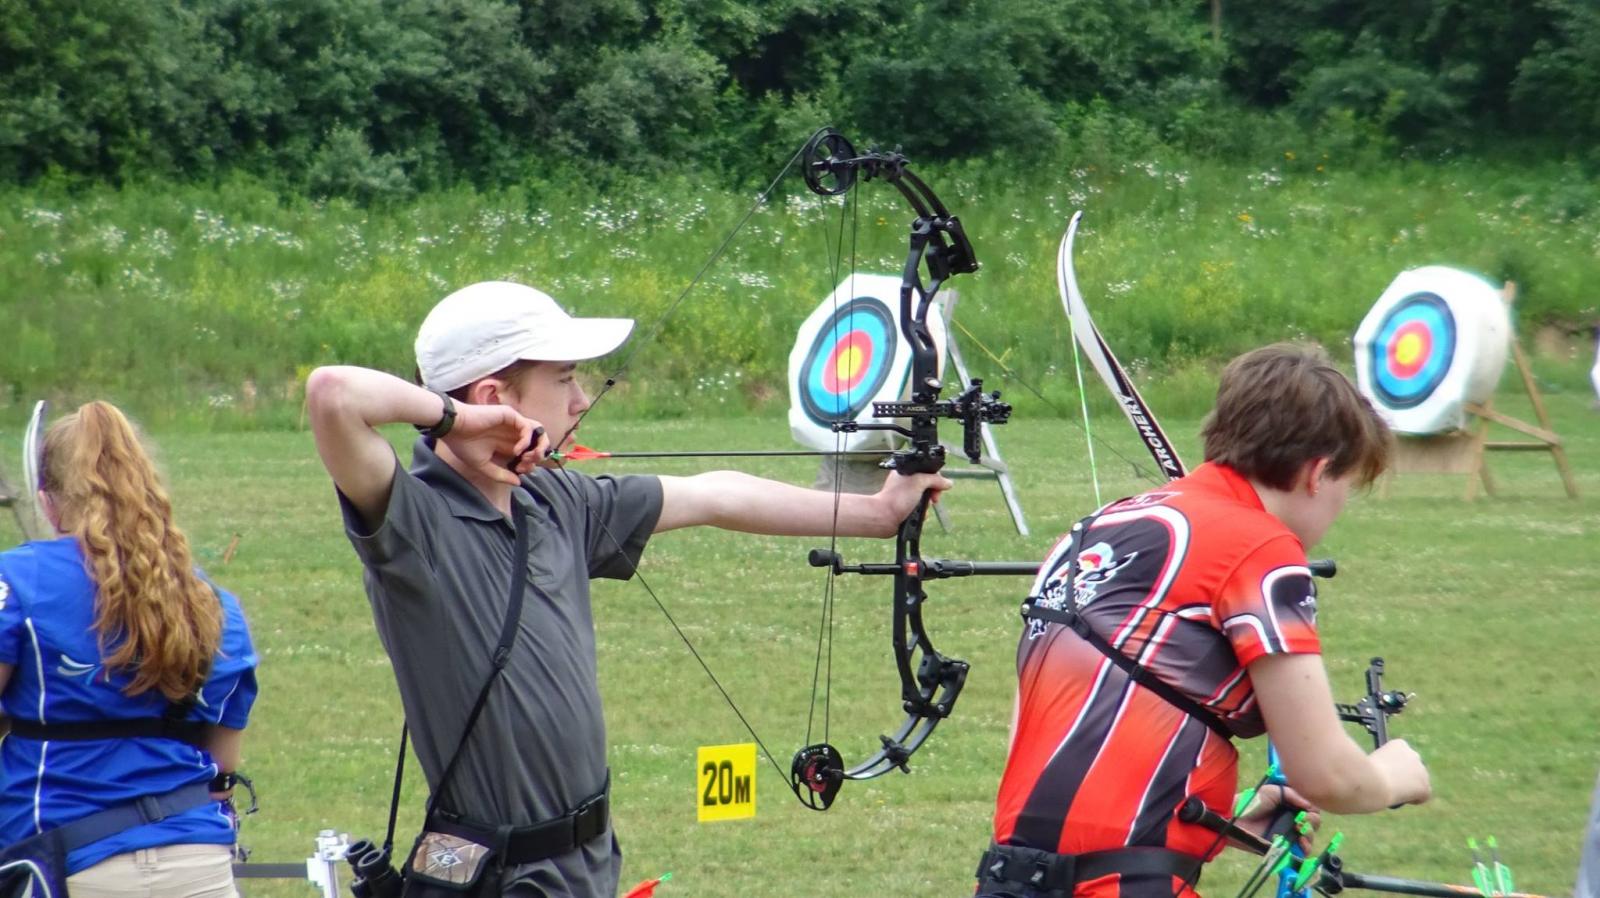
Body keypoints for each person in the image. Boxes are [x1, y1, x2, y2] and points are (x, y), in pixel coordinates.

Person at [305, 280, 949, 898]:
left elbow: (713, 494)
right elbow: (333, 392)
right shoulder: (414, 522)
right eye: (562, 379)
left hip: (586, 864)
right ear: (493, 395)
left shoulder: (553, 500)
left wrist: (877, 513)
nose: (582, 399)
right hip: (501, 875)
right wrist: (456, 419)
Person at [974, 344, 1432, 898]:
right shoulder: (1260, 548)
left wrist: (1218, 825)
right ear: (1317, 474)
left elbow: (1059, 735)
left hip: (1011, 878)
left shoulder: (1097, 528)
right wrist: (1391, 776)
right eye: (1345, 488)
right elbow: (1324, 774)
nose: (1339, 509)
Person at [0, 401, 258, 898]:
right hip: (198, 863)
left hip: (66, 863)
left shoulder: (18, 579)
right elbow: (222, 766)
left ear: (49, 503)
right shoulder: (213, 604)